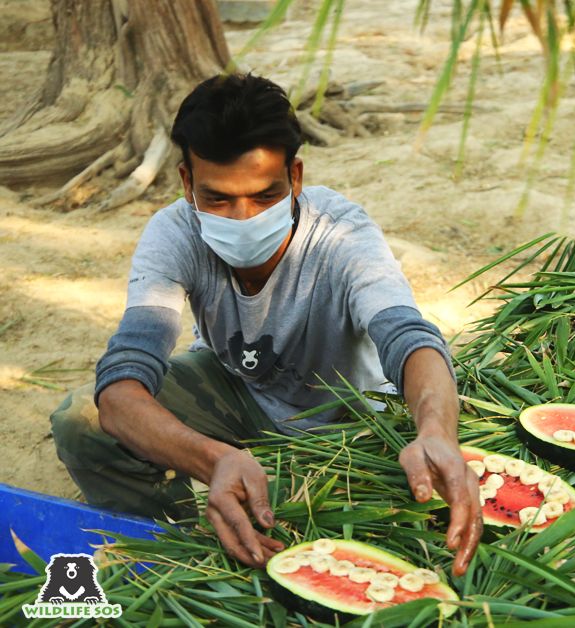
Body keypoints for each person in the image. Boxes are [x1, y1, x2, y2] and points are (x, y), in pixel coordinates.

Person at [49, 73, 482, 575]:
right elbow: (122, 384)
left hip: (349, 423)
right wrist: (214, 461)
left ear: (295, 177)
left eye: (264, 196)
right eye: (217, 199)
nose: (242, 217)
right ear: (187, 182)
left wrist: (434, 430)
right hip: (239, 393)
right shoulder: (174, 234)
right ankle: (181, 556)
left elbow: (408, 338)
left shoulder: (341, 233)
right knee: (82, 422)